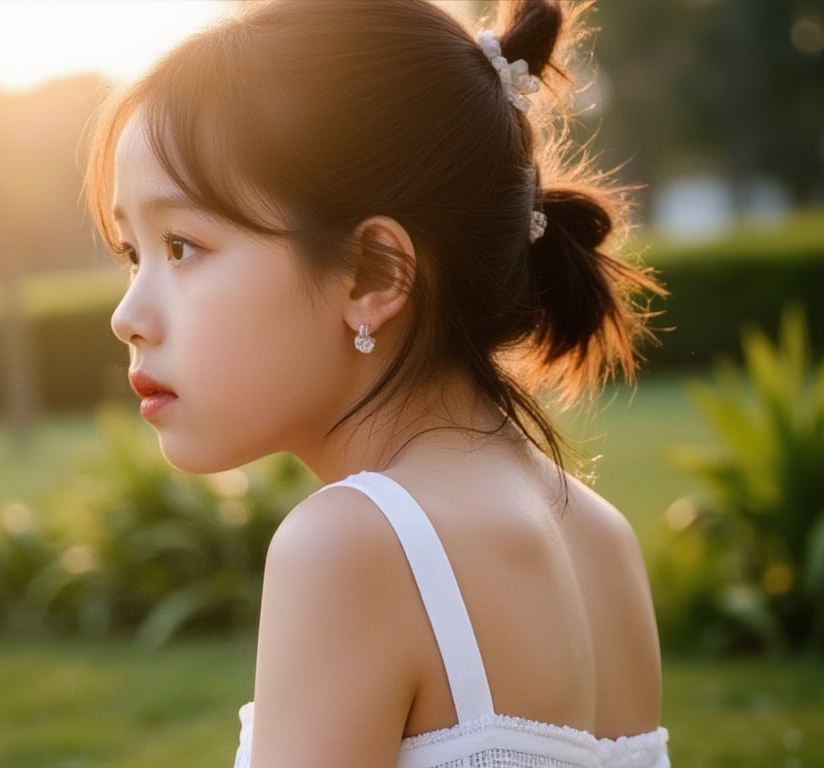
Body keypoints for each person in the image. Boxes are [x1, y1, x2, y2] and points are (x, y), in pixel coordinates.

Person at [87, 0, 669, 765]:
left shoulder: (350, 547)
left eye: (183, 245)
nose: (128, 315)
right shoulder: (602, 538)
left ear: (374, 273)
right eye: (134, 253)